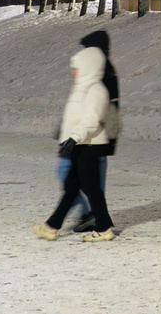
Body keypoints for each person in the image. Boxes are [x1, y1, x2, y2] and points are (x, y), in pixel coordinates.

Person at [35, 44, 118, 240]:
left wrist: (74, 138)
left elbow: (92, 119)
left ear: (88, 67)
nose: (72, 73)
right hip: (79, 145)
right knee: (73, 187)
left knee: (89, 188)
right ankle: (51, 226)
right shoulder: (82, 88)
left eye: (76, 69)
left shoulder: (96, 89)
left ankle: (104, 228)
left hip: (90, 145)